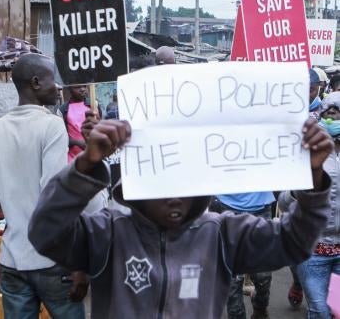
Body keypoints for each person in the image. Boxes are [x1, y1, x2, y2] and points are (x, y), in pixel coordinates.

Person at [29, 115, 333, 319]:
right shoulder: (108, 232)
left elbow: (293, 243)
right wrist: (84, 168)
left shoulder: (223, 233)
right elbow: (45, 233)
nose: (175, 194)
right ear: (138, 182)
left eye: (185, 180)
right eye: (163, 179)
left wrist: (315, 180)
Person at [0, 53, 87, 318]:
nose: (59, 87)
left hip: (12, 259)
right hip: (51, 259)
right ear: (36, 82)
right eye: (53, 80)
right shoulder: (52, 126)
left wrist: (13, 199)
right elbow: (53, 197)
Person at [280, 91, 340, 319]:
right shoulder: (306, 152)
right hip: (313, 250)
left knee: (336, 310)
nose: (332, 118)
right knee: (319, 310)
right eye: (328, 113)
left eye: (338, 113)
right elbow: (284, 201)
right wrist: (303, 189)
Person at [210, 191, 276, 319]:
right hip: (225, 207)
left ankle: (260, 308)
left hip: (261, 208)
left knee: (263, 276)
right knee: (232, 281)